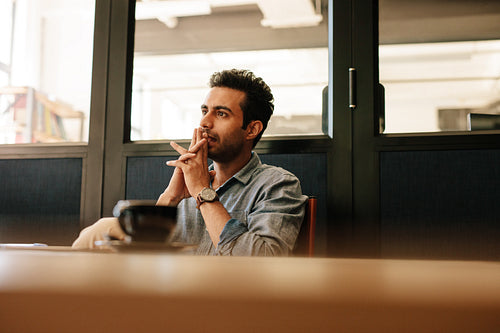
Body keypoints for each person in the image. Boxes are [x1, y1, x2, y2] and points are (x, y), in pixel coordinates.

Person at [72, 69, 308, 256]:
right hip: (168, 296)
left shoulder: (278, 184)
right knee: (101, 230)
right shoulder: (189, 185)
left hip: (229, 305)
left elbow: (263, 262)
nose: (204, 122)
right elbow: (145, 254)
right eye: (205, 111)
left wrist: (203, 193)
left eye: (221, 113)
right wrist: (170, 198)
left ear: (252, 129)